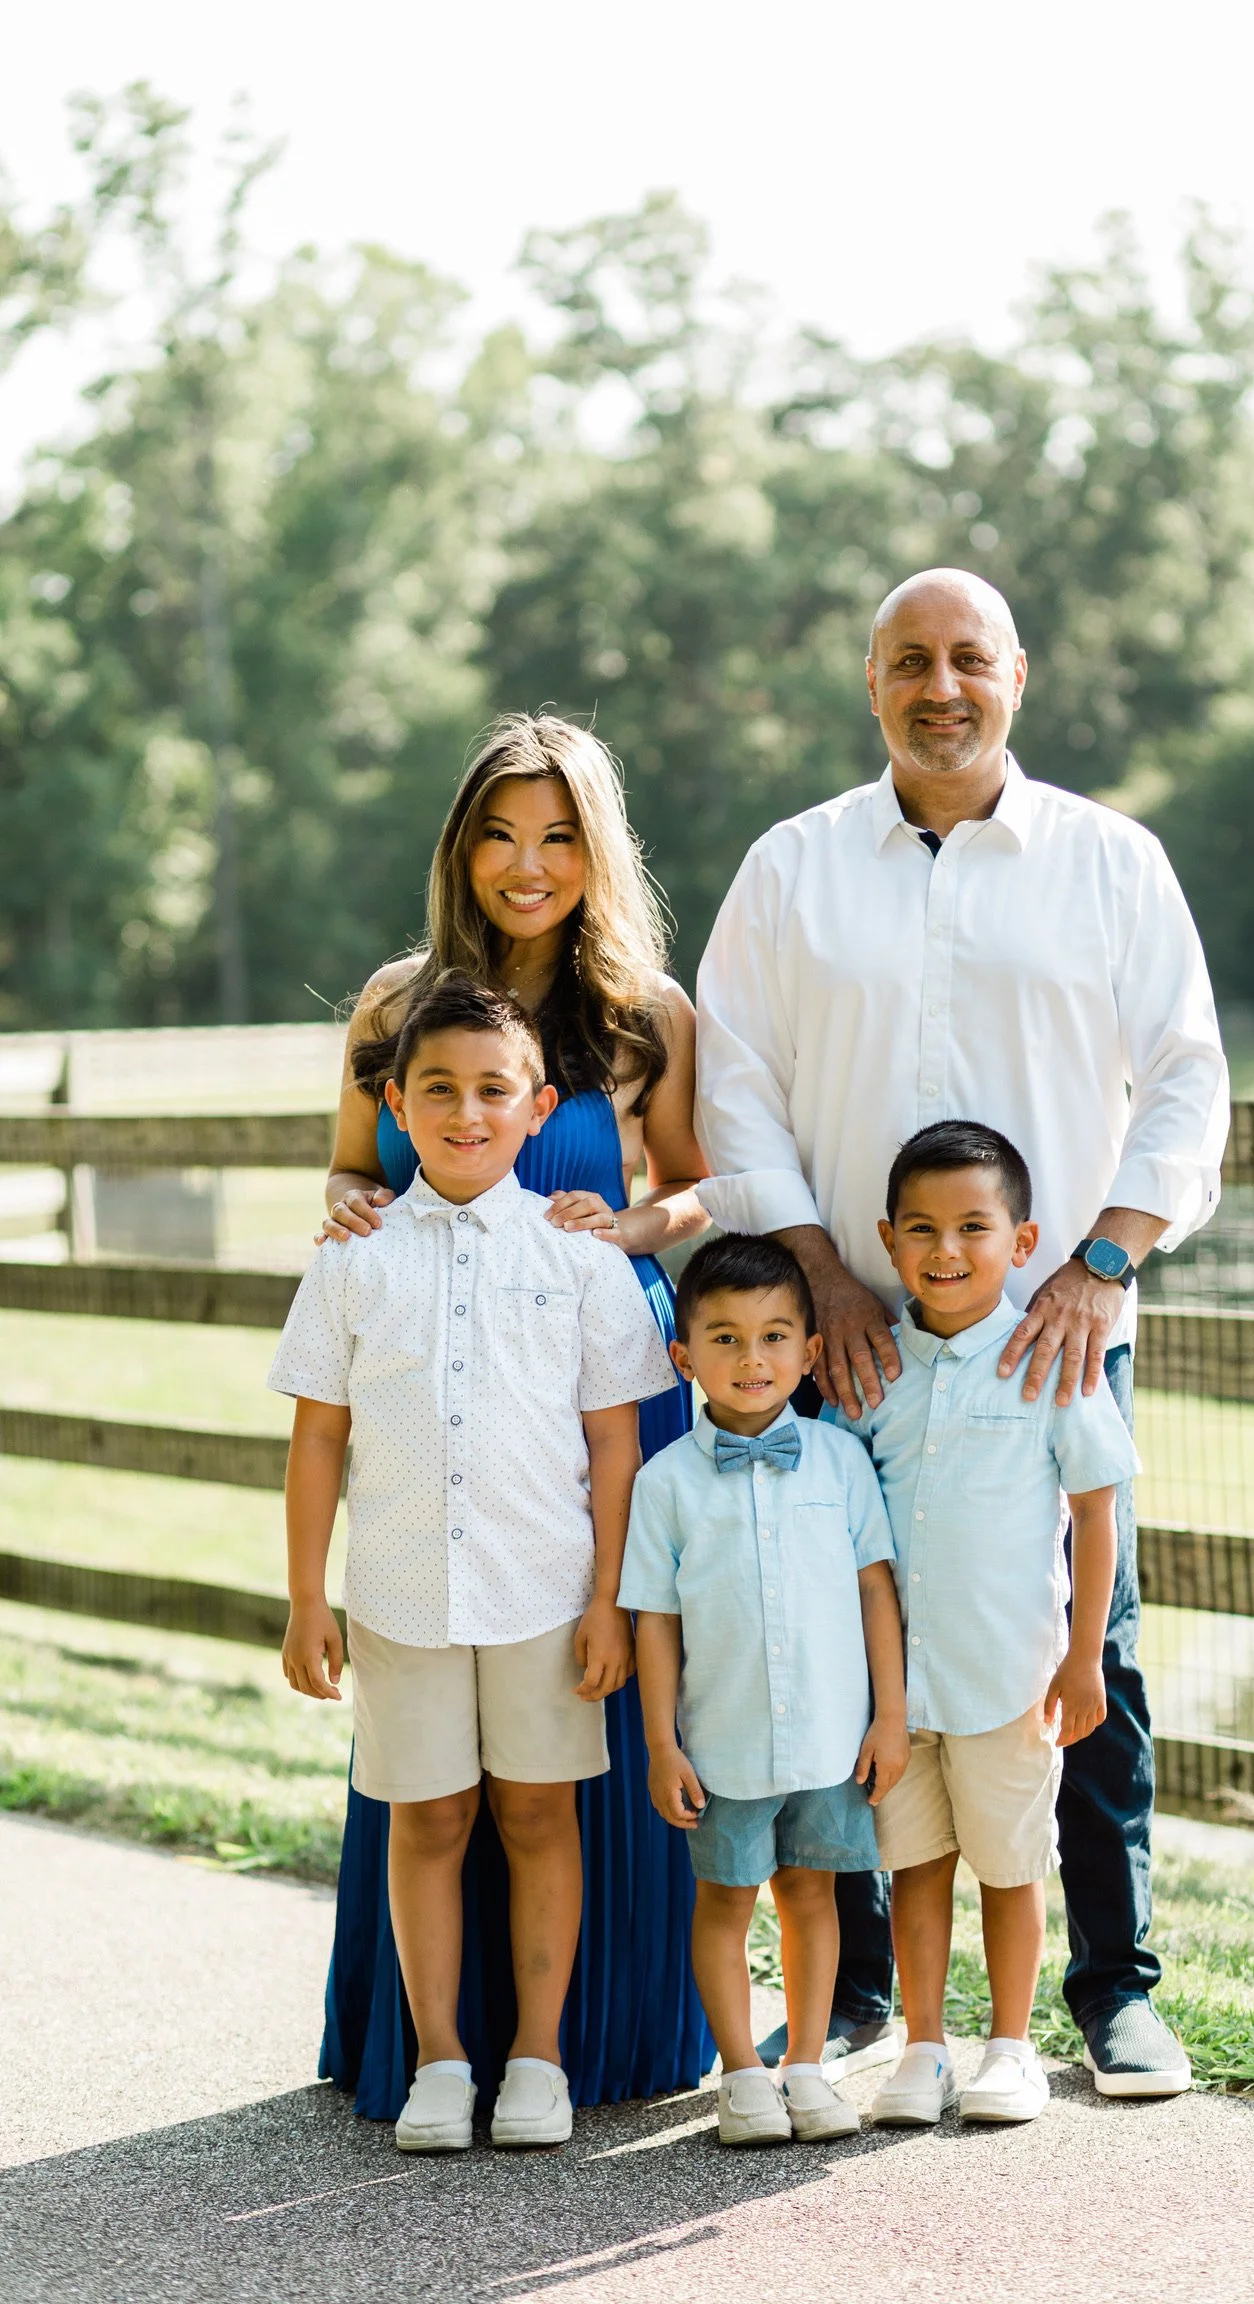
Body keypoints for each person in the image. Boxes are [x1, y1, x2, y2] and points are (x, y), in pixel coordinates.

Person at [694, 567, 1229, 2095]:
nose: (942, 686)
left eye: (969, 659)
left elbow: (1187, 1075)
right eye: (910, 661)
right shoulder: (793, 870)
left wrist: (1103, 1261)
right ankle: (868, 1998)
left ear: (1017, 676)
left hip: (1053, 1334)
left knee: (1084, 1660)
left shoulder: (1110, 864)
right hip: (849, 1344)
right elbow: (735, 1083)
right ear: (871, 685)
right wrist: (820, 1267)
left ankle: (1114, 1992)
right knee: (852, 1656)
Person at [317, 713, 713, 2116]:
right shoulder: (391, 1004)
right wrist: (349, 1201)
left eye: (557, 835)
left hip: (606, 1402)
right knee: (436, 1767)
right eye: (499, 832)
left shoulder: (645, 1014)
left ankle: (581, 2048)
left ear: (596, 850)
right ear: (460, 846)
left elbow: (702, 1188)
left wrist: (639, 1222)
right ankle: (429, 2047)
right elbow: (350, 1184)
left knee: (585, 1737)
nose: (526, 864)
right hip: (453, 1427)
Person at [272, 975, 679, 2149]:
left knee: (539, 1818)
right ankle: (442, 2059)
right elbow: (318, 1437)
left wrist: (611, 1604)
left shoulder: (583, 1260)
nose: (465, 1113)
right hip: (400, 1597)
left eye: (493, 1091)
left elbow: (616, 1449)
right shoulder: (354, 1259)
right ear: (395, 1103)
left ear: (539, 1107)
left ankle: (539, 2056)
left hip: (547, 1598)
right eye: (437, 1090)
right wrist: (308, 1599)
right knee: (431, 1821)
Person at [834, 1121, 1139, 2126]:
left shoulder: (1049, 1363)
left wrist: (1085, 1658)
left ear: (1023, 1240)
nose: (946, 1251)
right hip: (895, 1691)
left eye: (974, 1226)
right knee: (915, 1863)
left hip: (1011, 1676)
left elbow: (1097, 1511)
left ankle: (1009, 2047)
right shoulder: (875, 1374)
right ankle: (923, 2048)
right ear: (888, 1241)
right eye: (921, 1229)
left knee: (1010, 1866)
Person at [618, 1234, 908, 2145]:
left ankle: (808, 2064)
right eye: (728, 1339)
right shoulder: (663, 1485)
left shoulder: (841, 1462)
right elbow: (654, 1620)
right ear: (683, 1357)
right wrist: (664, 1743)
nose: (754, 1360)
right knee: (726, 1901)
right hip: (726, 1741)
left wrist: (889, 1717)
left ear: (811, 1352)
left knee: (813, 1894)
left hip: (830, 1737)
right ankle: (742, 2074)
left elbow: (875, 1591)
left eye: (777, 1336)